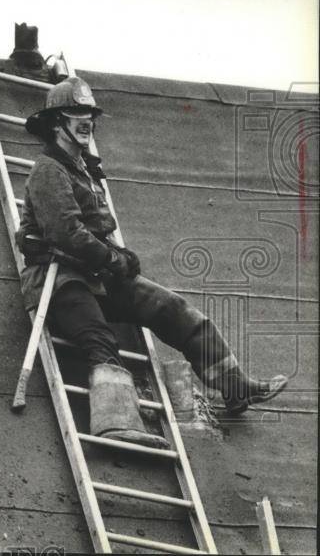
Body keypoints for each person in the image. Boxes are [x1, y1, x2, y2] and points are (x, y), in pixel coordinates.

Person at [16, 77, 287, 447]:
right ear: (56, 123)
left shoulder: (83, 169)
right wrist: (114, 258)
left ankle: (235, 387)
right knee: (100, 340)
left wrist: (117, 256)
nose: (86, 122)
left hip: (96, 274)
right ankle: (116, 422)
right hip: (60, 279)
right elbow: (66, 233)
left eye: (89, 115)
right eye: (76, 114)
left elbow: (94, 229)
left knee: (172, 308)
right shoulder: (49, 169)